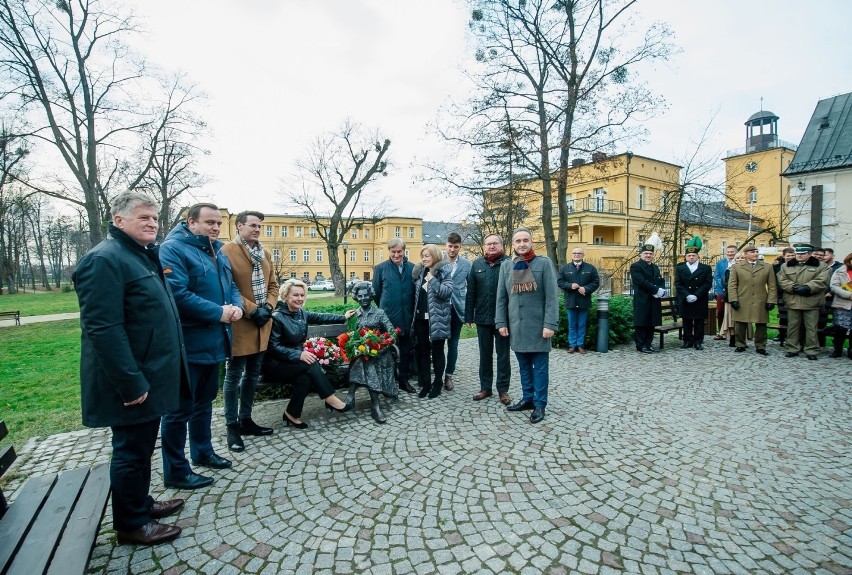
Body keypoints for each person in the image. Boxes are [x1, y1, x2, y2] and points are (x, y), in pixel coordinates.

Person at [74, 191, 185, 545]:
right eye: (143, 217)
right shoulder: (105, 259)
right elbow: (102, 329)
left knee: (140, 449)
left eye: (154, 218)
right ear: (119, 220)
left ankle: (142, 503)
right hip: (130, 381)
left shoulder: (138, 255)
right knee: (130, 451)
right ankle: (131, 524)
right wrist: (131, 383)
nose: (152, 223)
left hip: (148, 373)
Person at [159, 203, 242, 490]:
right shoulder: (173, 249)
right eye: (209, 222)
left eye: (218, 223)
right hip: (189, 343)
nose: (216, 227)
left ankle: (203, 451)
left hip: (215, 341)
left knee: (204, 402)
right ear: (191, 222)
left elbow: (231, 285)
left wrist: (236, 307)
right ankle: (175, 470)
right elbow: (177, 294)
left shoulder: (217, 250)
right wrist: (219, 312)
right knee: (179, 409)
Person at [220, 211, 279, 452]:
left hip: (262, 323)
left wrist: (268, 307)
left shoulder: (264, 253)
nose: (257, 229)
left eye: (259, 226)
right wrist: (253, 310)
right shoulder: (227, 252)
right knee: (234, 376)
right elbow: (228, 287)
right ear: (239, 226)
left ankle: (246, 419)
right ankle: (232, 426)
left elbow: (274, 285)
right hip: (240, 322)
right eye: (252, 225)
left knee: (253, 375)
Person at [262, 280, 355, 427]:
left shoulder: (301, 313)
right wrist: (298, 355)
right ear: (285, 296)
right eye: (295, 295)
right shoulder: (277, 317)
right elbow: (272, 347)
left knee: (304, 379)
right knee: (309, 362)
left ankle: (291, 414)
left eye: (302, 295)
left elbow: (321, 317)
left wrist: (343, 317)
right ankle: (330, 398)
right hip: (274, 365)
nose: (300, 298)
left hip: (294, 363)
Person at [496, 227, 559, 424]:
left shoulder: (544, 263)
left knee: (540, 368)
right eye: (518, 241)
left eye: (525, 240)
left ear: (531, 242)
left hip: (539, 326)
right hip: (517, 325)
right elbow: (501, 298)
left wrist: (550, 323)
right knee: (524, 367)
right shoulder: (507, 266)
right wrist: (501, 322)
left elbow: (552, 296)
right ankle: (528, 398)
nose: (522, 244)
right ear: (513, 245)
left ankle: (540, 403)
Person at [465, 233, 512, 405]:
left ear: (502, 245)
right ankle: (485, 387)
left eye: (495, 243)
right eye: (488, 244)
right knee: (485, 355)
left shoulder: (509, 263)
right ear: (484, 246)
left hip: (503, 320)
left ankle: (503, 390)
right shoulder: (477, 264)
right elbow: (471, 292)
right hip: (483, 318)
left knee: (503, 356)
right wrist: (469, 315)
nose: (491, 246)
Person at [346, 282, 399, 423]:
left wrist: (384, 346)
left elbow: (392, 332)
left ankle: (351, 394)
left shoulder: (379, 313)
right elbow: (351, 336)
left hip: (380, 352)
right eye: (360, 296)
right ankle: (375, 405)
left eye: (366, 296)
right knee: (364, 361)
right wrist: (357, 346)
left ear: (370, 297)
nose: (363, 298)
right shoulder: (354, 315)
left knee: (366, 361)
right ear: (356, 297)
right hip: (362, 353)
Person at [372, 238, 416, 393]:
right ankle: (387, 382)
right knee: (386, 351)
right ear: (389, 251)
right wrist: (386, 309)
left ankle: (403, 380)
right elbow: (376, 293)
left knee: (405, 351)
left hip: (407, 317)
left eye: (399, 252)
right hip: (388, 317)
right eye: (393, 252)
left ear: (404, 251)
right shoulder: (380, 268)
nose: (396, 255)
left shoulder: (413, 268)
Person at [411, 244, 454, 399]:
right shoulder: (419, 271)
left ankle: (437, 383)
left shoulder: (444, 271)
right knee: (422, 351)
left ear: (434, 256)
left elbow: (447, 292)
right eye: (423, 256)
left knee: (437, 352)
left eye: (427, 256)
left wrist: (433, 280)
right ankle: (426, 383)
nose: (424, 259)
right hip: (421, 318)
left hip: (438, 319)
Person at [777, 243, 829, 360]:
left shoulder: (821, 266)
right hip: (793, 300)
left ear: (810, 254)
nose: (799, 256)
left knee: (811, 327)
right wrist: (794, 287)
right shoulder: (786, 266)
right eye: (797, 253)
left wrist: (808, 287)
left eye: (802, 254)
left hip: (811, 301)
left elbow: (822, 280)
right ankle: (792, 348)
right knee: (793, 327)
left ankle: (811, 350)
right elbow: (782, 280)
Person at [728, 244, 776, 355]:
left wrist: (771, 300)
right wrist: (733, 299)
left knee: (761, 324)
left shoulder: (767, 267)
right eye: (752, 252)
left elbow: (772, 285)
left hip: (760, 299)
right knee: (740, 323)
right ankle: (740, 344)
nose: (755, 254)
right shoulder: (737, 267)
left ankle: (760, 346)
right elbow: (732, 285)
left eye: (756, 251)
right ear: (745, 254)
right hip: (742, 298)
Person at [441, 232, 472, 391]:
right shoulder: (437, 261)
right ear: (445, 245)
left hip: (458, 309)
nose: (452, 249)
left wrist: (469, 313)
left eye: (456, 247)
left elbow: (472, 289)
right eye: (450, 246)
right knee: (438, 343)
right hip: (440, 308)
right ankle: (437, 373)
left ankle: (448, 376)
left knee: (453, 344)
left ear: (460, 247)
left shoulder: (467, 264)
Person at [557, 247, 600, 353]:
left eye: (579, 253)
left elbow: (596, 282)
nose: (577, 254)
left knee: (581, 325)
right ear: (572, 255)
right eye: (574, 253)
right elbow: (560, 282)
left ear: (583, 255)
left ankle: (580, 345)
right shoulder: (565, 268)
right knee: (572, 324)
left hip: (583, 301)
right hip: (570, 301)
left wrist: (586, 289)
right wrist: (570, 285)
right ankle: (572, 345)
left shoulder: (590, 268)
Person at [674, 237, 713, 350]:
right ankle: (687, 341)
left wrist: (696, 295)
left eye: (693, 255)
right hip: (685, 298)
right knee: (686, 321)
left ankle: (698, 341)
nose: (691, 257)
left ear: (697, 256)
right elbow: (678, 283)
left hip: (699, 298)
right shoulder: (680, 268)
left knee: (699, 321)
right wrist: (687, 295)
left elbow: (707, 283)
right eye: (689, 255)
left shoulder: (705, 268)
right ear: (685, 257)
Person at [629, 240, 665, 354]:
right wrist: (655, 290)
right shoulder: (636, 266)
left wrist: (661, 290)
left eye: (650, 254)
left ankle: (648, 344)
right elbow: (640, 281)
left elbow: (660, 280)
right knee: (641, 322)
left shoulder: (655, 267)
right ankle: (640, 345)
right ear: (641, 254)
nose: (648, 255)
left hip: (654, 299)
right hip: (642, 299)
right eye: (646, 253)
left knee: (651, 322)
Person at [829, 253, 852, 359]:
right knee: (840, 329)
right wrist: (849, 295)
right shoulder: (840, 271)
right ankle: (837, 349)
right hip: (842, 303)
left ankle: (851, 350)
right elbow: (834, 286)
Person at [713, 245, 738, 339]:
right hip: (722, 291)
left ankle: (735, 333)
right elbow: (717, 275)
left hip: (736, 291)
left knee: (734, 312)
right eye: (728, 252)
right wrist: (724, 286)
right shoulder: (720, 263)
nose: (730, 253)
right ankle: (721, 332)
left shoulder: (739, 261)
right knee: (720, 311)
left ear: (736, 252)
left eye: (732, 252)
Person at [772, 247, 795, 346]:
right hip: (781, 294)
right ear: (784, 256)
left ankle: (791, 336)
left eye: (792, 255)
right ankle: (781, 334)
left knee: (794, 317)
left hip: (794, 294)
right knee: (783, 316)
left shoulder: (797, 266)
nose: (790, 257)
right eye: (788, 255)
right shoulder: (777, 267)